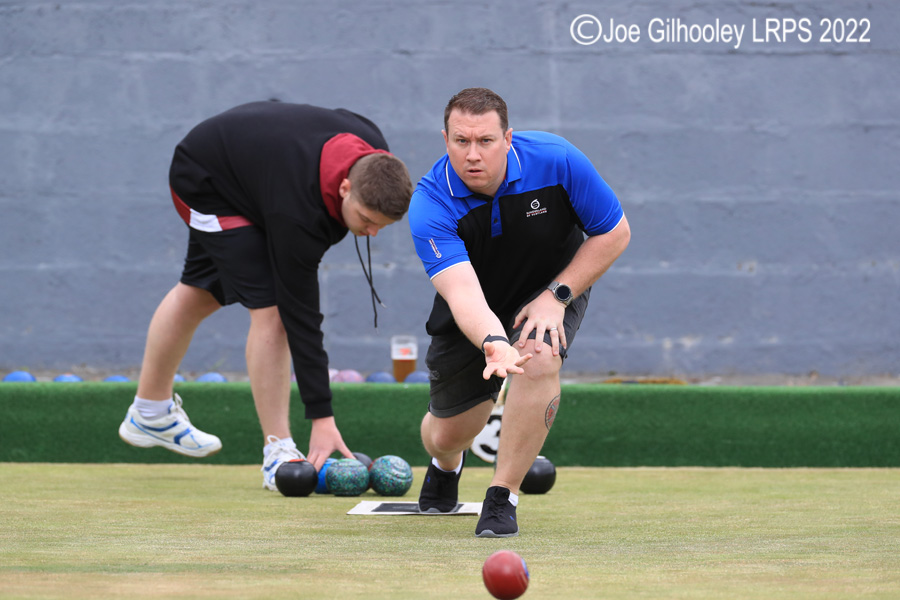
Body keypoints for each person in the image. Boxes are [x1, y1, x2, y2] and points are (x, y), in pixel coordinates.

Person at [118, 100, 413, 489]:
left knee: (202, 292)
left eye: (382, 227)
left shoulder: (374, 156)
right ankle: (278, 449)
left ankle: (149, 412)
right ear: (345, 187)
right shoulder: (298, 217)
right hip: (206, 177)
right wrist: (322, 419)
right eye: (366, 221)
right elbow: (302, 319)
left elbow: (342, 117)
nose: (372, 233)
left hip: (256, 174)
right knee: (273, 311)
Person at [408, 88, 630, 537]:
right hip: (476, 305)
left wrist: (558, 295)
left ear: (507, 138)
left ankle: (501, 496)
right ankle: (445, 464)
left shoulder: (557, 160)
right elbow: (464, 294)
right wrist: (493, 342)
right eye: (461, 141)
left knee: (541, 356)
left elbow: (614, 233)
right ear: (445, 139)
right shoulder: (431, 203)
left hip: (551, 288)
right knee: (448, 433)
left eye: (485, 141)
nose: (473, 154)